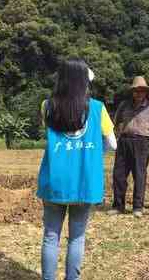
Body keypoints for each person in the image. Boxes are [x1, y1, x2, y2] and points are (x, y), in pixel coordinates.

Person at [37, 59, 116, 280]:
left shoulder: (47, 106)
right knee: (77, 238)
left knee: (51, 236)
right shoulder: (98, 108)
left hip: (55, 182)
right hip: (84, 181)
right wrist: (92, 153)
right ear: (84, 81)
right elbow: (113, 144)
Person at [108, 76, 149, 218]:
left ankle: (137, 207)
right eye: (136, 91)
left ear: (146, 93)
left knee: (139, 175)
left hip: (141, 143)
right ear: (132, 92)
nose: (139, 93)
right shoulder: (124, 105)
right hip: (123, 141)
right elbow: (113, 123)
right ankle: (118, 206)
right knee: (119, 174)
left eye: (142, 91)